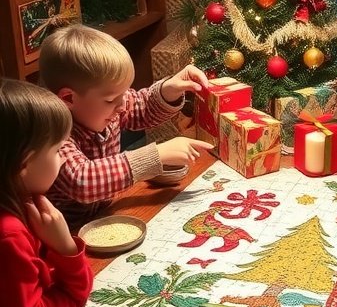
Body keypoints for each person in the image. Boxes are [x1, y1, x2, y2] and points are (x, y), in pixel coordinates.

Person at [39, 25, 214, 226]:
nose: (122, 105)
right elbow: (82, 180)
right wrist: (155, 155)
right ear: (69, 98)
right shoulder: (51, 132)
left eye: (125, 92)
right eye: (112, 99)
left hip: (107, 213)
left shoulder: (107, 107)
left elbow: (141, 105)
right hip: (67, 234)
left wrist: (169, 89)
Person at [0, 79, 93, 307]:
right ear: (24, 164)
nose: (63, 158)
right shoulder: (9, 235)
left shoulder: (20, 198)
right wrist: (65, 247)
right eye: (56, 150)